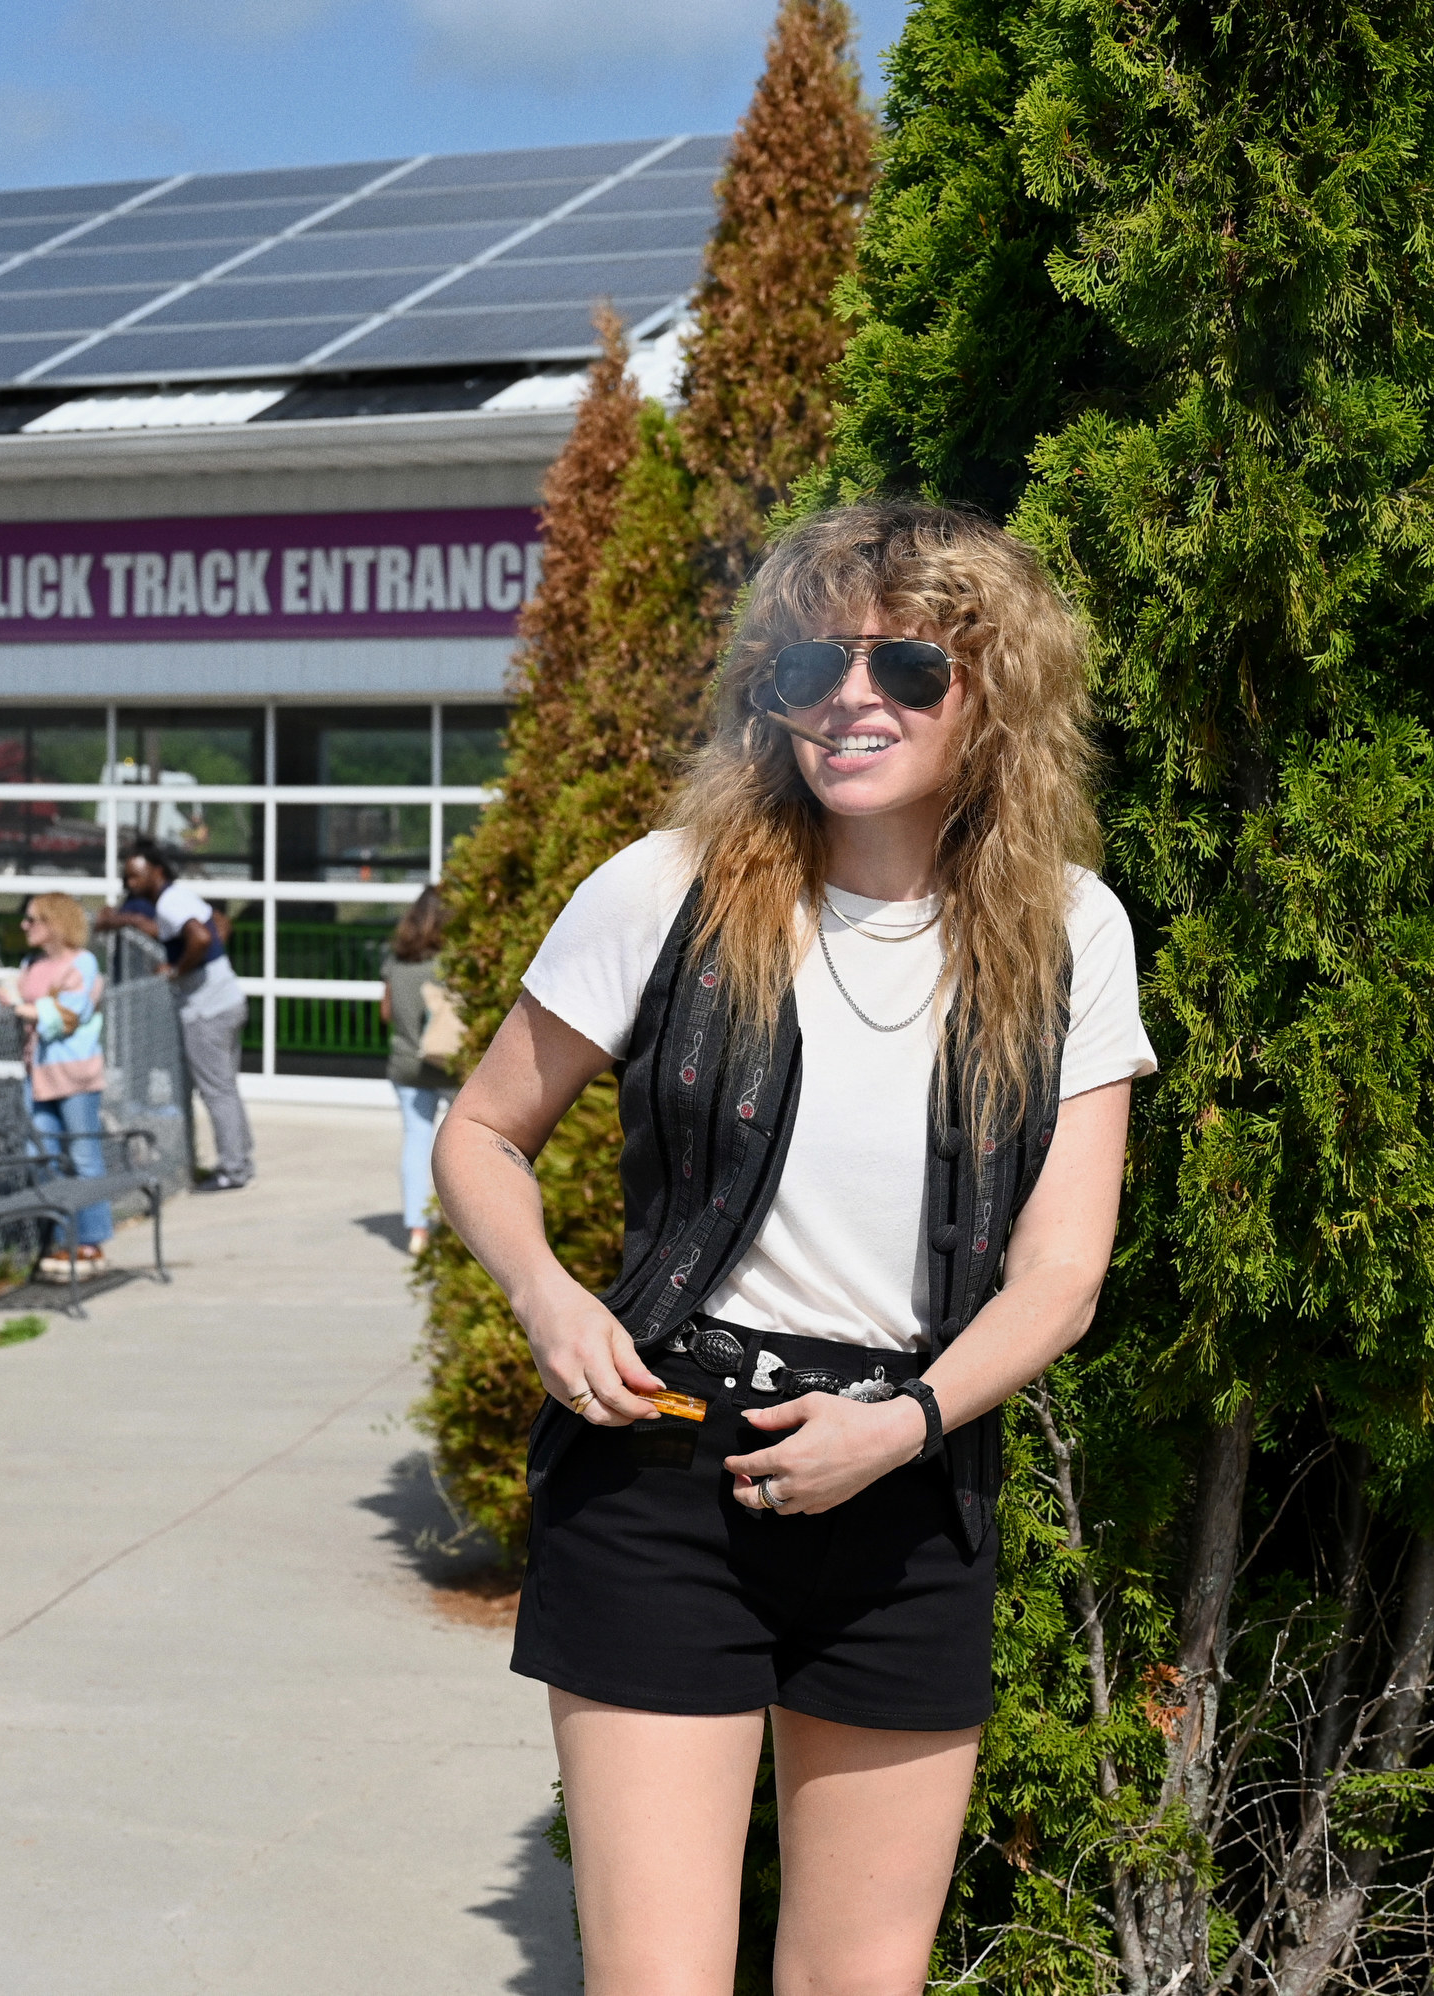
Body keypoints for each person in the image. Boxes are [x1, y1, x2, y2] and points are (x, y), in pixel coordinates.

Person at [433, 501, 1155, 1991]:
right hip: (660, 1471)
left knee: (856, 1983)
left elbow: (1063, 1272)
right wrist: (551, 1299)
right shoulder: (665, 887)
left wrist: (900, 1427)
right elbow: (481, 1133)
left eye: (906, 667)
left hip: (906, 1479)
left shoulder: (1071, 930)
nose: (850, 697)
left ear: (995, 698)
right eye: (813, 663)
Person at [112, 837, 254, 1191]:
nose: (130, 883)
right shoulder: (180, 897)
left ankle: (232, 1170)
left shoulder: (170, 903)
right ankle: (241, 1158)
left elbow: (202, 938)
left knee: (217, 1092)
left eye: (135, 876)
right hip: (228, 999)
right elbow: (218, 924)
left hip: (207, 1011)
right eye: (127, 877)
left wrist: (178, 970)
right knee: (226, 1088)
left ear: (157, 871)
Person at [6, 892, 111, 1280]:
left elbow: (67, 1015)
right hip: (37, 1073)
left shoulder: (82, 963)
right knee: (41, 1154)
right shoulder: (31, 964)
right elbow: (23, 1002)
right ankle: (58, 1234)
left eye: (32, 919)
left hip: (75, 1075)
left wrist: (20, 1007)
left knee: (84, 1157)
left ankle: (91, 1240)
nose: (25, 926)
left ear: (54, 922)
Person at [377, 885, 456, 1255]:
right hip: (451, 1065)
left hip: (406, 1064)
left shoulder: (397, 960)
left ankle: (417, 1232)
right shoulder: (453, 962)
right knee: (462, 1144)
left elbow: (386, 1013)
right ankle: (461, 1226)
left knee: (415, 1140)